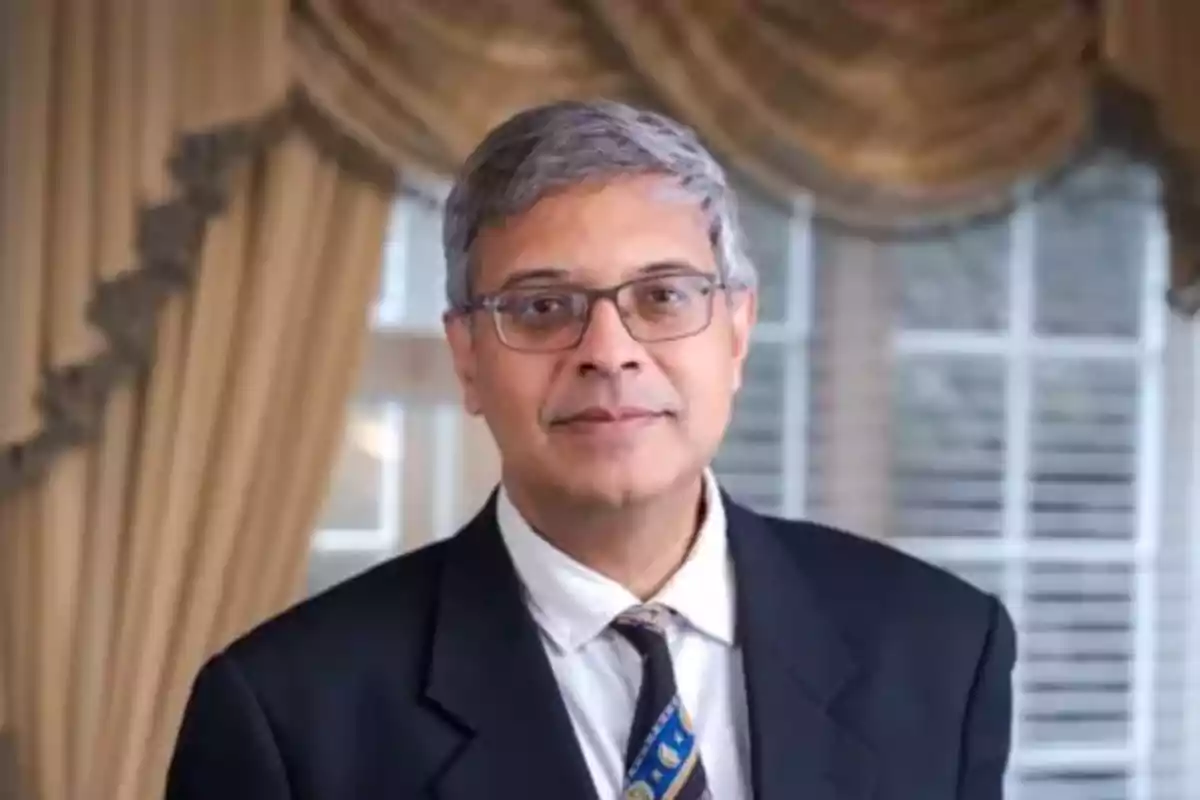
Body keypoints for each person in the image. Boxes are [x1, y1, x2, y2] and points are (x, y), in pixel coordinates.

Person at [166, 99, 1016, 800]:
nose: (609, 350)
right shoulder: (288, 715)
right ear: (467, 356)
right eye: (541, 307)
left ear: (738, 331)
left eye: (662, 295)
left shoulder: (941, 649)